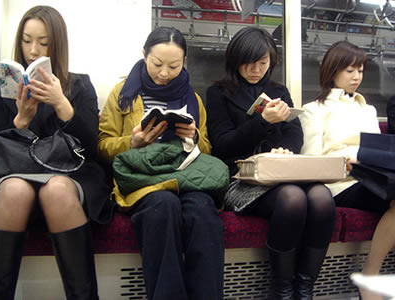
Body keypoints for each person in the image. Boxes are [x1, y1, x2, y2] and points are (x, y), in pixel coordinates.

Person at [206, 26, 335, 300]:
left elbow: (295, 133)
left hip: (280, 172)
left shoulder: (278, 91)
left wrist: (283, 150)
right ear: (235, 60)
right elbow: (223, 144)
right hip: (240, 178)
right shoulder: (218, 93)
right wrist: (262, 122)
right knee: (293, 199)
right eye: (249, 63)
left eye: (263, 63)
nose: (256, 70)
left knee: (322, 197)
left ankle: (305, 287)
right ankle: (283, 290)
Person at [0, 6, 114, 300]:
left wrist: (62, 104)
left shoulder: (79, 84)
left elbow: (92, 148)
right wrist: (21, 121)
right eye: (26, 40)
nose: (33, 50)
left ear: (57, 45)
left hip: (70, 174)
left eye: (43, 43)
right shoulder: (4, 86)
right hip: (14, 173)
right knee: (13, 190)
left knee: (56, 190)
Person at [98, 26, 224, 300]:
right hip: (143, 179)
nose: (164, 73)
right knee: (163, 206)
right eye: (157, 64)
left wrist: (194, 136)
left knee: (202, 211)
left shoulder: (195, 99)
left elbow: (207, 152)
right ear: (144, 55)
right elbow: (103, 146)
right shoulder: (123, 94)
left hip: (185, 177)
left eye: (174, 66)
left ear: (184, 63)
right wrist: (132, 143)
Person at [300, 40, 395, 300]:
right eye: (350, 70)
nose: (357, 77)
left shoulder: (368, 109)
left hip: (372, 177)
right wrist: (346, 162)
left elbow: (379, 154)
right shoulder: (314, 109)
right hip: (339, 182)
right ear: (333, 71)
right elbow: (311, 160)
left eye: (361, 70)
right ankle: (370, 277)